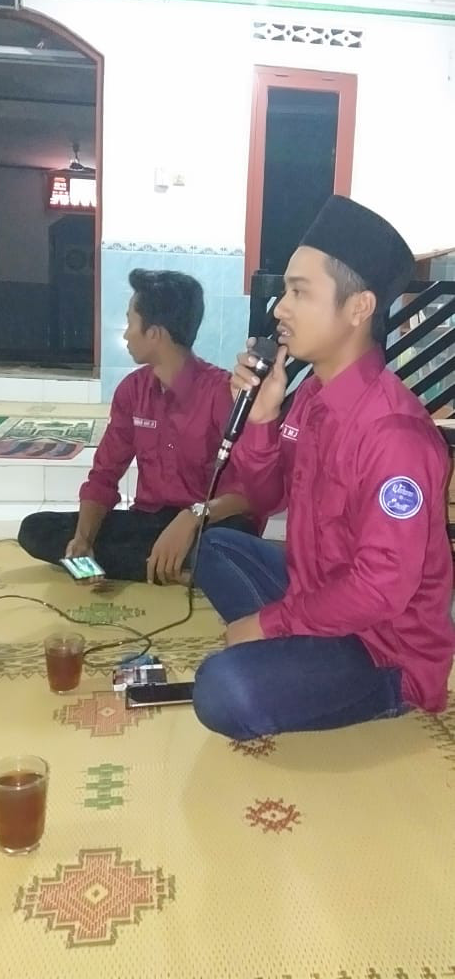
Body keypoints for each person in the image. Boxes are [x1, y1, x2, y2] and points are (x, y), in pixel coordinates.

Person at [193, 195, 455, 740]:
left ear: (359, 308)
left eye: (299, 292)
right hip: (318, 589)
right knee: (212, 544)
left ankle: (368, 688)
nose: (280, 309)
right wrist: (261, 420)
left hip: (382, 646)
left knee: (223, 690)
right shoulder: (312, 396)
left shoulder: (395, 437)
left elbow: (381, 589)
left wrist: (270, 622)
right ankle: (301, 652)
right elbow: (266, 499)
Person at [18, 269, 256, 583]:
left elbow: (251, 491)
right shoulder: (132, 391)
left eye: (130, 322)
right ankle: (174, 570)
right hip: (146, 523)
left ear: (154, 333)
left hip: (204, 524)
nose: (126, 335)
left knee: (234, 544)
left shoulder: (221, 393)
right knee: (35, 529)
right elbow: (104, 475)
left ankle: (163, 566)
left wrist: (194, 516)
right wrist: (84, 539)